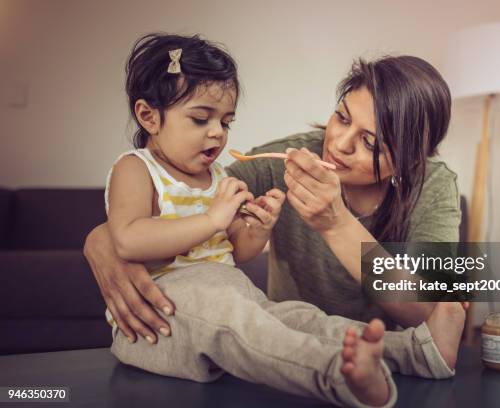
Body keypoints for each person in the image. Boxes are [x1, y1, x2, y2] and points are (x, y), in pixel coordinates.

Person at [84, 36, 466, 386]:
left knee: (293, 319)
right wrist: (99, 240)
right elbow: (172, 202)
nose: (339, 144)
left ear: (410, 160)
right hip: (246, 333)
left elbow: (427, 308)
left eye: (370, 142)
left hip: (325, 332)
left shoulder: (434, 185)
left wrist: (334, 224)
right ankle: (340, 374)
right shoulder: (281, 161)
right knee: (250, 322)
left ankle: (415, 353)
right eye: (343, 117)